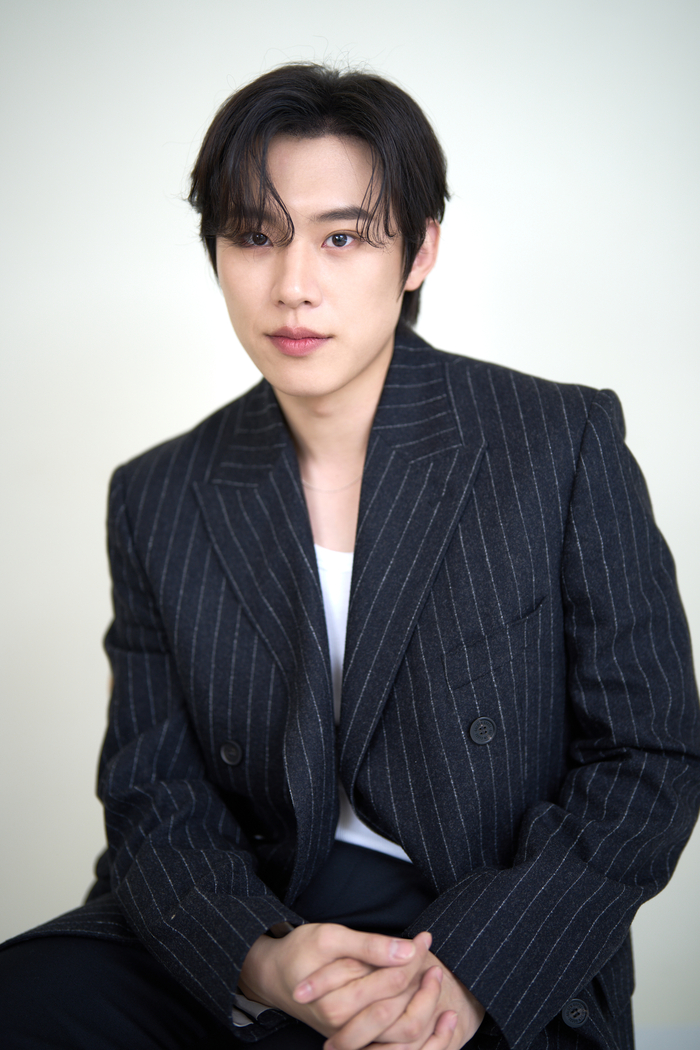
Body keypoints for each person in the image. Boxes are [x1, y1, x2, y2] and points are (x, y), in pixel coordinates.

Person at [1, 62, 699, 1050]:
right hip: (256, 909)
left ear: (419, 252)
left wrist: (470, 973)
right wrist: (256, 957)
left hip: (480, 919)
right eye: (254, 236)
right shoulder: (158, 494)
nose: (293, 285)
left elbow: (649, 755)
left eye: (341, 238)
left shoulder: (554, 442)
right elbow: (155, 792)